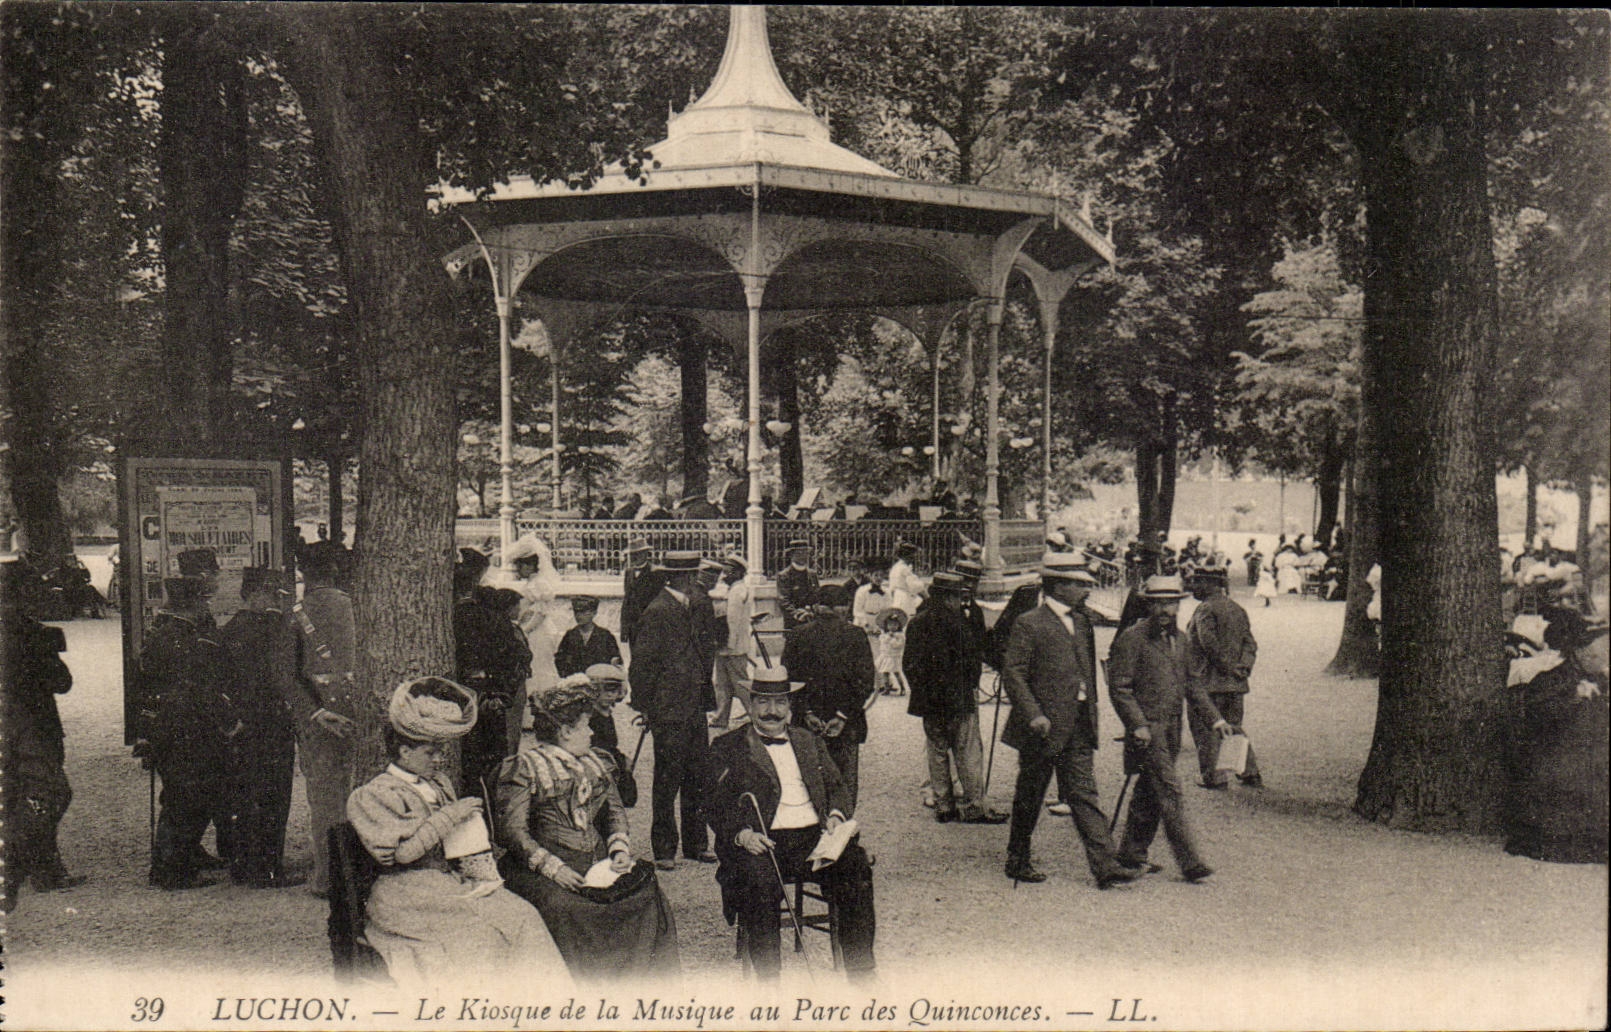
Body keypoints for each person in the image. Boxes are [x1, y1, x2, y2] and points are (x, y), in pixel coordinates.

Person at [348, 676, 567, 985]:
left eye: (440, 751)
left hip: (448, 884)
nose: (439, 759)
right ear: (404, 752)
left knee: (523, 915)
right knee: (481, 939)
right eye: (430, 753)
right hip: (405, 894)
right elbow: (401, 855)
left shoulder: (438, 784)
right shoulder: (375, 794)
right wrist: (451, 815)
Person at [495, 675, 680, 980]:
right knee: (564, 907)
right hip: (541, 866)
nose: (592, 732)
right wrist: (553, 868)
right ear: (566, 732)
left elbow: (614, 812)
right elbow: (513, 831)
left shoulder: (596, 762)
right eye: (585, 726)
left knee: (648, 892)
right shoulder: (525, 767)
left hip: (595, 860)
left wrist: (619, 850)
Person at [708, 662, 877, 983]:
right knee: (758, 881)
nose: (771, 711)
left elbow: (838, 787)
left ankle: (861, 972)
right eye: (763, 702)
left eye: (780, 703)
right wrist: (742, 834)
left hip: (813, 841)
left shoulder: (808, 740)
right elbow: (713, 804)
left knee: (855, 866)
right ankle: (769, 979)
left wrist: (836, 816)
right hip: (764, 842)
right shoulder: (728, 746)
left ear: (789, 706)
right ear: (751, 704)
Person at [999, 554, 1136, 886]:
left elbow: (1086, 671)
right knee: (1030, 794)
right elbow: (1013, 673)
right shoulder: (1029, 622)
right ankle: (1017, 858)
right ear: (1058, 586)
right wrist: (1033, 713)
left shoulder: (1083, 622)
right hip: (1042, 728)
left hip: (1079, 723)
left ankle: (1106, 865)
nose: (1086, 590)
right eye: (1079, 584)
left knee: (1084, 793)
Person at [1107, 575, 1234, 883]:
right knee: (1169, 790)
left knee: (1149, 791)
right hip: (1148, 730)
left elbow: (1192, 684)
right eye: (1159, 603)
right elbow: (1120, 688)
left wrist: (1216, 720)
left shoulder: (1181, 639)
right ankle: (1190, 862)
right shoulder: (1132, 638)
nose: (1166, 610)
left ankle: (1131, 854)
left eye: (1172, 603)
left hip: (1172, 729)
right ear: (1148, 605)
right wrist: (1137, 724)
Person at [141, 576, 238, 890]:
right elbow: (202, 688)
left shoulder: (159, 633)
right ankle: (171, 871)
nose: (206, 607)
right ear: (194, 604)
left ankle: (182, 857)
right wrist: (226, 720)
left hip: (166, 725)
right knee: (187, 798)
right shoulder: (186, 639)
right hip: (187, 727)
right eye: (203, 601)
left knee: (179, 794)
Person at [2, 560, 84, 910]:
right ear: (22, 592)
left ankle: (43, 869)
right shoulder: (31, 632)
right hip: (34, 725)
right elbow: (61, 682)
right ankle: (25, 865)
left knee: (15, 794)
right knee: (50, 793)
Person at [628, 551, 716, 867]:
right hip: (668, 708)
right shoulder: (657, 610)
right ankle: (664, 849)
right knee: (667, 779)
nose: (696, 580)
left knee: (697, 776)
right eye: (693, 575)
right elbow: (641, 664)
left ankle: (696, 844)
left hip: (695, 705)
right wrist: (645, 706)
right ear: (684, 577)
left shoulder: (696, 605)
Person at [217, 568, 302, 888]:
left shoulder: (229, 630)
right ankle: (267, 868)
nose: (277, 600)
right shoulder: (276, 629)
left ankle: (242, 863)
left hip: (242, 723)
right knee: (273, 796)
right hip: (272, 722)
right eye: (273, 594)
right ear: (256, 594)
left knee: (243, 794)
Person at [1504, 607, 1608, 864]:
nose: (1603, 662)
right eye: (1599, 656)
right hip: (1559, 762)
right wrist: (1574, 697)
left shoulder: (1599, 680)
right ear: (1582, 653)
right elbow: (1538, 714)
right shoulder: (1554, 679)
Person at [904, 571, 1007, 825]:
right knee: (967, 752)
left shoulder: (917, 622)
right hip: (958, 699)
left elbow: (909, 664)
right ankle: (974, 806)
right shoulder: (960, 624)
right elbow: (972, 661)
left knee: (937, 751)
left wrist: (922, 691)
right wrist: (970, 685)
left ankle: (944, 806)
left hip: (929, 701)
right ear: (950, 597)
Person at [287, 541, 359, 898]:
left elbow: (286, 674)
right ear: (335, 569)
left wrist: (313, 712)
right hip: (358, 706)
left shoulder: (295, 613)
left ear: (304, 571)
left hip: (318, 714)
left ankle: (329, 876)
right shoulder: (357, 605)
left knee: (325, 796)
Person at [781, 584, 876, 808]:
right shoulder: (856, 635)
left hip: (806, 723)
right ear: (843, 608)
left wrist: (806, 712)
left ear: (817, 607)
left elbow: (787, 679)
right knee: (844, 783)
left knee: (807, 783)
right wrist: (842, 716)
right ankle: (842, 825)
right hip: (847, 724)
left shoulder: (797, 634)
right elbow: (865, 682)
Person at [1185, 567, 1262, 790]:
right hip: (1235, 683)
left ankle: (1213, 776)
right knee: (1235, 727)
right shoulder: (1237, 608)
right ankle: (1249, 772)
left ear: (1211, 584)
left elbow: (1208, 643)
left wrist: (1228, 667)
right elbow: (1250, 643)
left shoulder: (1205, 609)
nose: (1193, 587)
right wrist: (1243, 668)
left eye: (1198, 582)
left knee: (1206, 728)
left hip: (1209, 681)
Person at [455, 583, 532, 795]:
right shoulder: (501, 625)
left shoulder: (464, 616)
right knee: (495, 752)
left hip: (474, 694)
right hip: (494, 695)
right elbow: (519, 658)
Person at [710, 557, 755, 730]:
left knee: (740, 684)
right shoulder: (738, 589)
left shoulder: (736, 592)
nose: (724, 575)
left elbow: (732, 622)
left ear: (738, 573)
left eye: (728, 571)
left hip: (732, 648)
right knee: (722, 684)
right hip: (731, 646)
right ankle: (720, 717)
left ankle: (756, 715)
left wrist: (727, 645)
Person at [619, 538, 658, 647]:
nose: (634, 557)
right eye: (632, 554)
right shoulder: (629, 572)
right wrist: (624, 629)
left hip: (649, 625)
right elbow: (627, 601)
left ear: (645, 554)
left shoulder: (655, 572)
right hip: (633, 627)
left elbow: (658, 601)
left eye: (638, 553)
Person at [776, 539, 819, 633]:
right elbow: (784, 601)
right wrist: (797, 614)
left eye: (805, 552)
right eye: (799, 553)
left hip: (812, 621)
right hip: (794, 623)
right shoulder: (785, 575)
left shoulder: (812, 574)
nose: (803, 556)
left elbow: (817, 596)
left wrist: (813, 611)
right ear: (792, 555)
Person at [888, 540, 927, 617]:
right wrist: (927, 597)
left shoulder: (895, 567)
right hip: (905, 600)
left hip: (897, 600)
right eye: (913, 555)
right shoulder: (904, 569)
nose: (914, 558)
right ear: (907, 556)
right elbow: (915, 587)